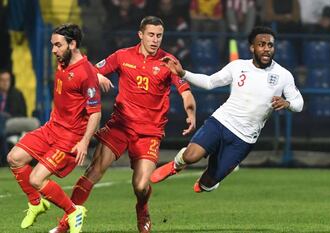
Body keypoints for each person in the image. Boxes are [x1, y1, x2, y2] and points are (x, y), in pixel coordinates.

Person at [50, 16, 196, 233]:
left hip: (149, 133)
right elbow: (89, 71)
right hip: (120, 126)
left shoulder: (168, 61)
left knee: (140, 185)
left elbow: (186, 92)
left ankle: (142, 207)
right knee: (94, 170)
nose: (155, 40)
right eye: (151, 35)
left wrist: (190, 112)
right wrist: (97, 77)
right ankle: (66, 223)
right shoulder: (122, 56)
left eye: (159, 36)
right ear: (141, 35)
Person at [151, 26, 304, 193]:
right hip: (221, 122)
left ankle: (214, 177)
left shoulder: (283, 75)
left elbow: (299, 103)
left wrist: (288, 104)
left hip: (244, 138)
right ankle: (175, 165)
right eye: (261, 44)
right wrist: (183, 73)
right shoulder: (237, 66)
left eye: (270, 45)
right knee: (190, 156)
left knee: (206, 184)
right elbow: (209, 82)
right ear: (252, 47)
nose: (266, 49)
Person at [7, 23, 101, 233]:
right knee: (14, 158)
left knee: (36, 179)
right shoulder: (65, 60)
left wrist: (84, 142)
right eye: (52, 45)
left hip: (69, 138)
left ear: (73, 44)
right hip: (51, 128)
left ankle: (73, 211)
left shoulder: (86, 75)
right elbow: (84, 68)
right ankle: (35, 203)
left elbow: (95, 112)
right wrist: (99, 74)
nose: (53, 50)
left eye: (57, 45)